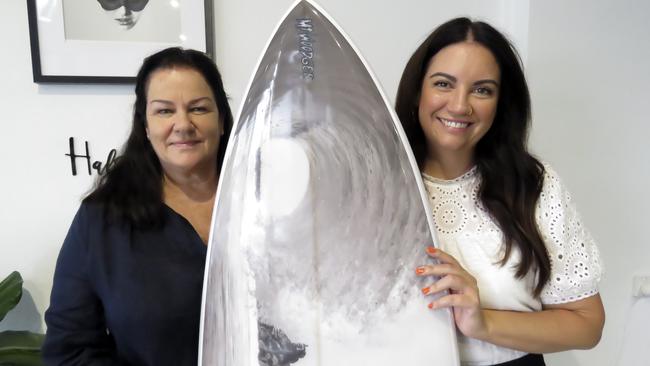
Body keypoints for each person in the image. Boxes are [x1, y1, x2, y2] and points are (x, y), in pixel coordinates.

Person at [395, 18, 605, 366]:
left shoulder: (534, 186)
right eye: (443, 83)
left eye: (482, 90)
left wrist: (483, 321)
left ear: (500, 102)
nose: (460, 106)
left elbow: (586, 325)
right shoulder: (376, 183)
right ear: (419, 91)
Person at [42, 47, 233, 365]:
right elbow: (70, 352)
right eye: (164, 111)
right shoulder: (101, 220)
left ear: (222, 120)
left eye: (198, 109)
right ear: (145, 126)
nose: (183, 124)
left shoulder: (270, 202)